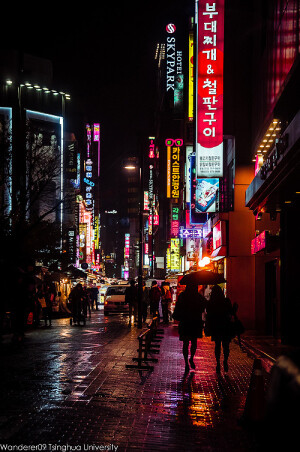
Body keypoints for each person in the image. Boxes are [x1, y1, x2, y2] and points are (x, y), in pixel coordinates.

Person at [172, 284, 206, 374]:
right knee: (194, 342)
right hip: (195, 322)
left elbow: (178, 307)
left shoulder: (183, 296)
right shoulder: (198, 296)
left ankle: (186, 362)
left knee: (185, 343)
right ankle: (191, 358)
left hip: (185, 322)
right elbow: (203, 307)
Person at [206, 285, 233, 373]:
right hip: (225, 326)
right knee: (226, 345)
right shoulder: (226, 301)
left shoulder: (212, 302)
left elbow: (209, 313)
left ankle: (218, 363)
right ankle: (225, 360)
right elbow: (231, 312)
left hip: (216, 326)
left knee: (217, 345)